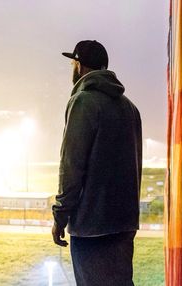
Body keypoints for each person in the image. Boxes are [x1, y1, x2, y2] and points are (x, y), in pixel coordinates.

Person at [52, 40, 143, 286]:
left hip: (91, 226)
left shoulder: (83, 102)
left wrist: (60, 215)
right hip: (124, 224)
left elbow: (71, 166)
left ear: (79, 66)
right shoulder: (130, 109)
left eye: (73, 62)